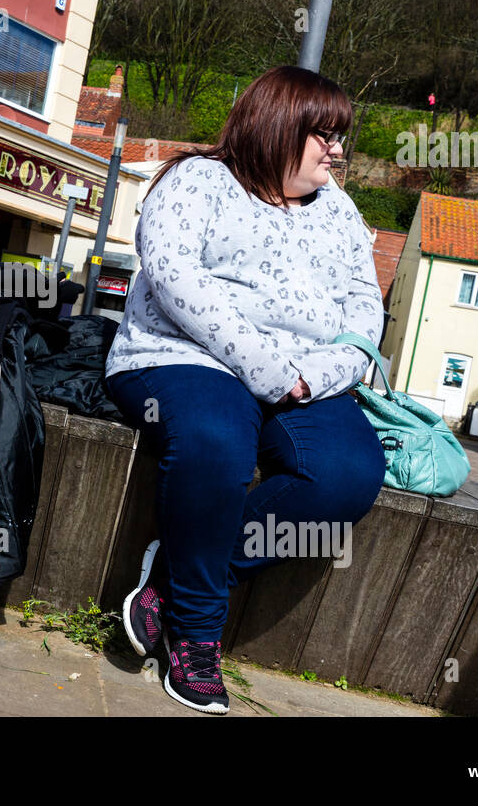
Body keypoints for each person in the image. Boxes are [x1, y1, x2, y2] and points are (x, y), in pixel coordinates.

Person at [104, 65, 386, 714]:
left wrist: (320, 376)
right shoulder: (197, 181)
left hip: (302, 379)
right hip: (184, 356)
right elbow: (174, 276)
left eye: (340, 136)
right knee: (215, 440)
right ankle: (196, 634)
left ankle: (175, 586)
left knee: (347, 475)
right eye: (326, 135)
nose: (338, 149)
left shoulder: (340, 212)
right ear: (280, 126)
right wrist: (266, 366)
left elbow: (364, 314)